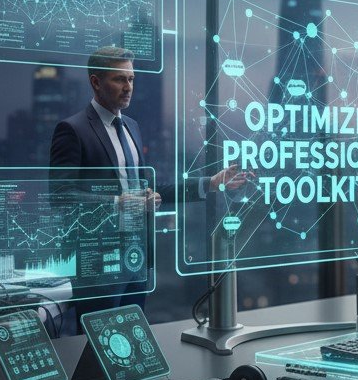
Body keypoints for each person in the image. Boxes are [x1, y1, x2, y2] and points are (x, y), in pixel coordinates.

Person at [50, 46, 250, 330]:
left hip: (137, 259)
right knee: (97, 351)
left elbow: (151, 190)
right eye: (119, 79)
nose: (128, 87)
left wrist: (212, 183)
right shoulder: (73, 129)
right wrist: (119, 202)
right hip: (99, 264)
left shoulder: (132, 127)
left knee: (133, 345)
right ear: (96, 82)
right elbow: (60, 196)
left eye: (131, 79)